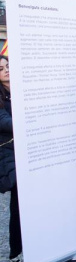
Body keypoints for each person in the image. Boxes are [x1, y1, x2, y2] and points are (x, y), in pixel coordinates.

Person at [0, 55, 22, 262]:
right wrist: (26, 120)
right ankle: (16, 251)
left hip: (26, 151)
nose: (6, 70)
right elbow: (4, 121)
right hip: (9, 155)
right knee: (19, 202)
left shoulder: (21, 91)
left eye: (8, 65)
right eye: (1, 68)